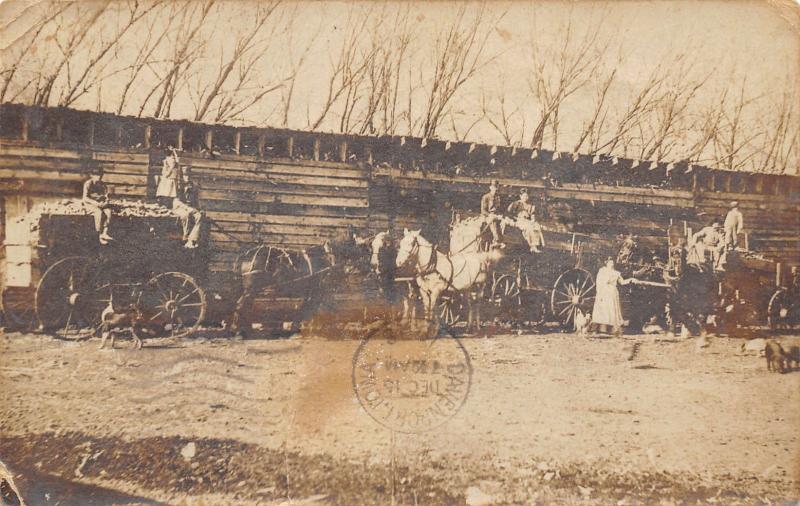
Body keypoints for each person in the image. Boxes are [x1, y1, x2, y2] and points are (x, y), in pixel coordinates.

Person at [591, 257, 633, 336]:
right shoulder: (602, 271)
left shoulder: (616, 273)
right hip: (604, 292)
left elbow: (622, 282)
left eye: (612, 262)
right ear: (606, 263)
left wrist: (631, 280)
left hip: (613, 293)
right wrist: (599, 292)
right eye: (610, 262)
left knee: (611, 310)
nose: (612, 264)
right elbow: (599, 282)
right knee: (602, 310)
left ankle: (610, 329)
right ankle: (599, 329)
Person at [82, 169, 113, 244]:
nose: (98, 177)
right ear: (92, 175)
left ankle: (105, 232)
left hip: (100, 203)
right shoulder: (88, 183)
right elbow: (85, 198)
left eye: (100, 175)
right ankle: (99, 235)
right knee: (98, 212)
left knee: (108, 212)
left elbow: (106, 196)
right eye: (96, 175)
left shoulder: (103, 185)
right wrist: (94, 203)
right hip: (90, 203)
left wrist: (105, 202)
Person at [507, 188, 544, 252]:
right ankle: (532, 245)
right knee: (528, 227)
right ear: (520, 196)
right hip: (518, 220)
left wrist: (533, 220)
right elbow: (509, 213)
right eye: (524, 196)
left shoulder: (531, 205)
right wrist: (512, 219)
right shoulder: (516, 204)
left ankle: (539, 245)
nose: (526, 198)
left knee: (536, 226)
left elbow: (532, 215)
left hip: (527, 220)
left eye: (527, 196)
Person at [172, 172, 203, 249]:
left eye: (189, 175)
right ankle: (185, 237)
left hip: (191, 208)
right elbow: (176, 201)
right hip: (179, 207)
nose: (187, 177)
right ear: (183, 176)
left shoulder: (193, 187)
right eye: (186, 175)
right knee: (185, 215)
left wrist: (200, 209)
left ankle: (192, 239)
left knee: (199, 216)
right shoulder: (178, 186)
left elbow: (196, 200)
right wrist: (187, 208)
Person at [480, 179, 503, 248]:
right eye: (494, 187)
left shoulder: (498, 197)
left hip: (496, 215)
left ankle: (503, 240)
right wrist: (490, 215)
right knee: (493, 220)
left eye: (497, 187)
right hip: (487, 215)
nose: (495, 188)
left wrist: (500, 215)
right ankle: (497, 240)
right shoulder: (486, 197)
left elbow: (500, 209)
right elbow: (483, 210)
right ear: (490, 187)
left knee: (505, 221)